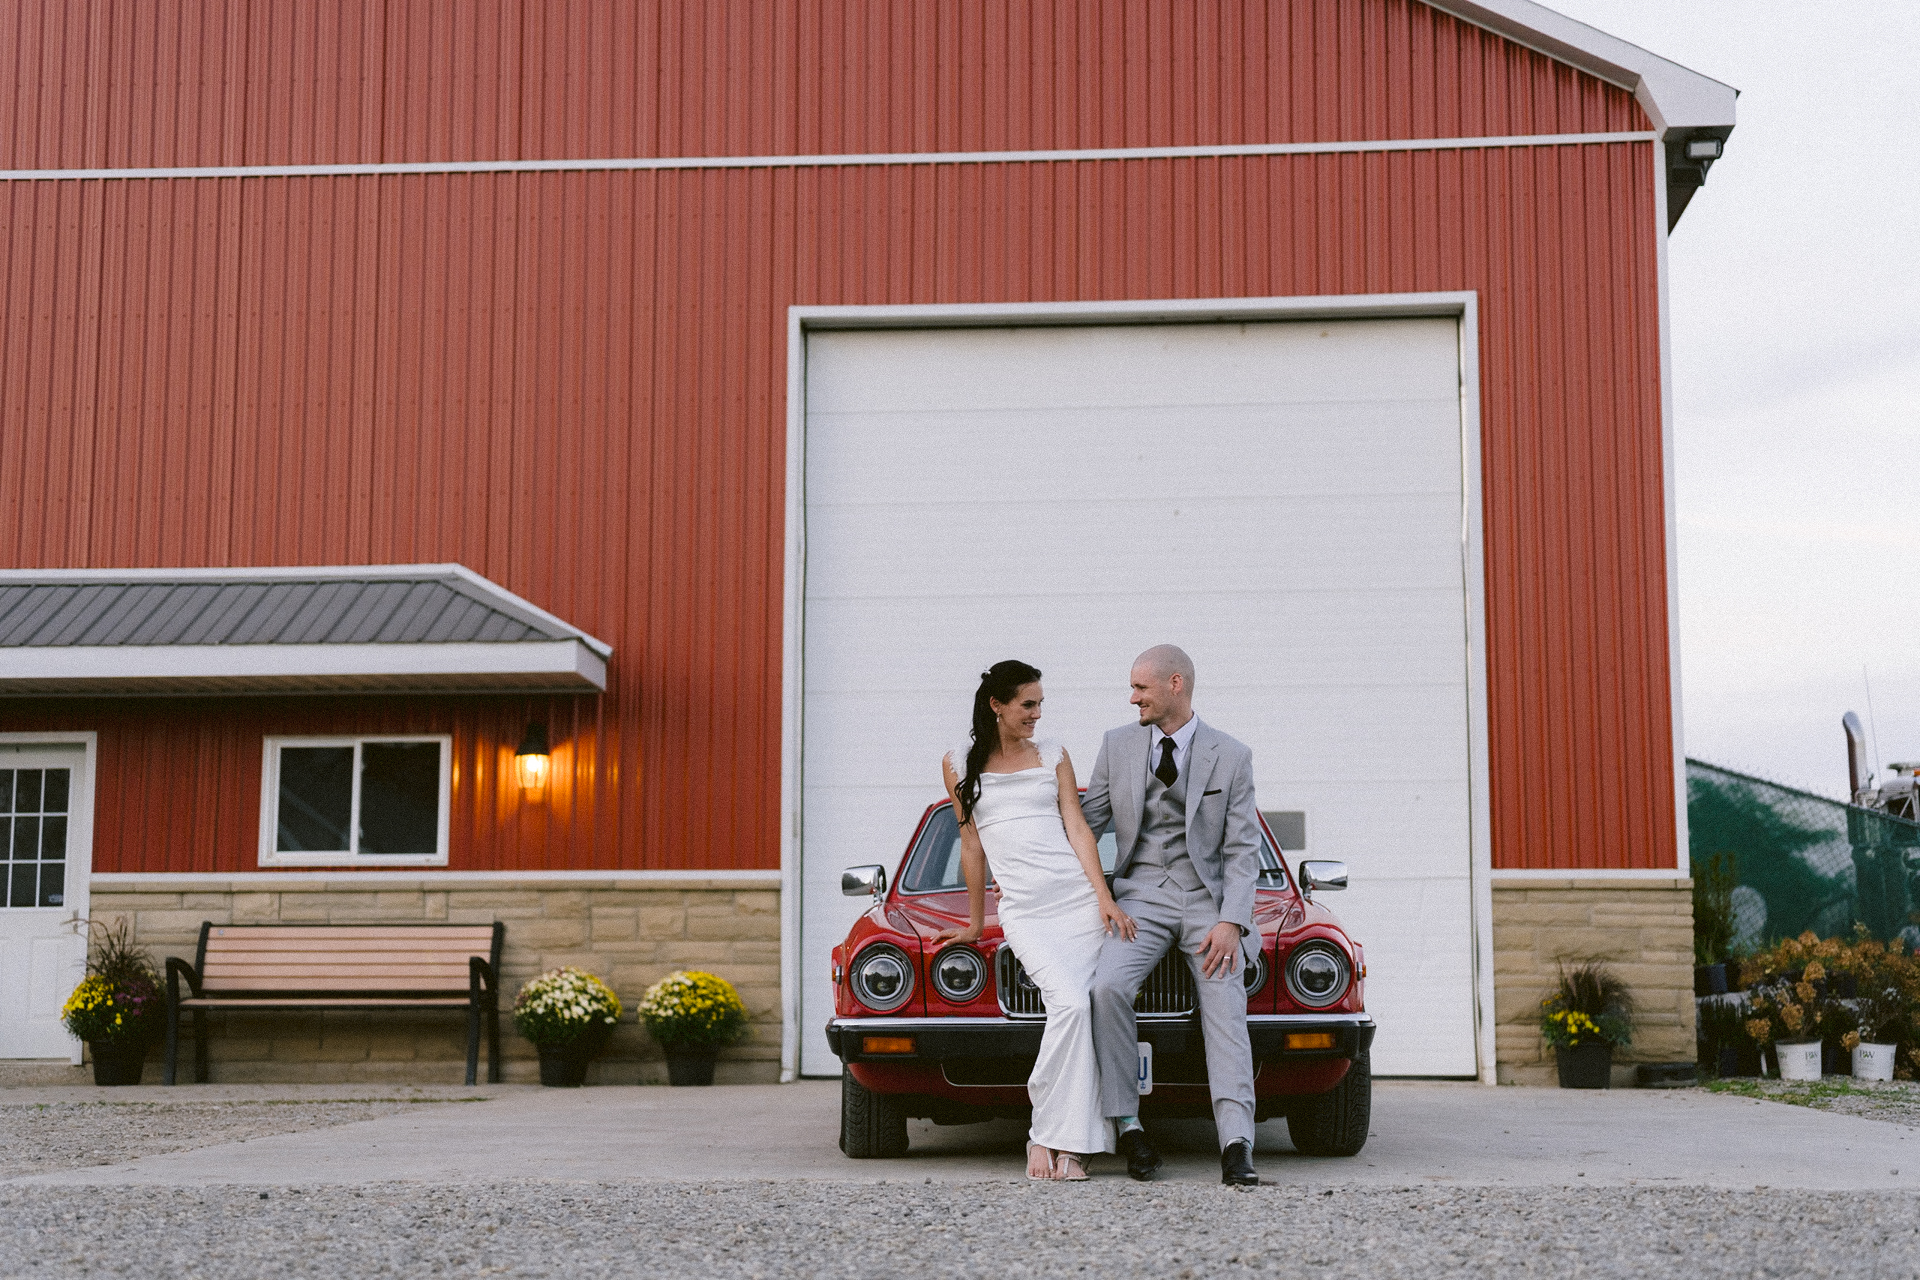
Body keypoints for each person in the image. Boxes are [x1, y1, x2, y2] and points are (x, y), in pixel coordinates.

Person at [935, 659, 1136, 1181]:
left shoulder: (1054, 754)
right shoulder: (958, 762)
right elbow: (971, 842)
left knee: (1084, 1012)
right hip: (1027, 911)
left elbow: (1077, 826)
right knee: (1068, 1004)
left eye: (1041, 704)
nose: (1037, 714)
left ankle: (1066, 1147)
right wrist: (978, 923)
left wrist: (1103, 896)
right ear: (996, 705)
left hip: (1076, 902)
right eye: (1028, 704)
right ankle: (1047, 1134)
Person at [1079, 644, 1264, 1186]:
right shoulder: (1117, 745)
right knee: (1106, 988)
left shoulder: (1230, 755)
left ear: (1175, 685)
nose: (1132, 697)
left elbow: (1241, 849)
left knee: (1226, 1000)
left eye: (1141, 688)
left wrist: (1232, 920)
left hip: (1207, 902)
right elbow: (1085, 825)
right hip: (1140, 897)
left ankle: (1236, 1142)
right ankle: (1129, 1125)